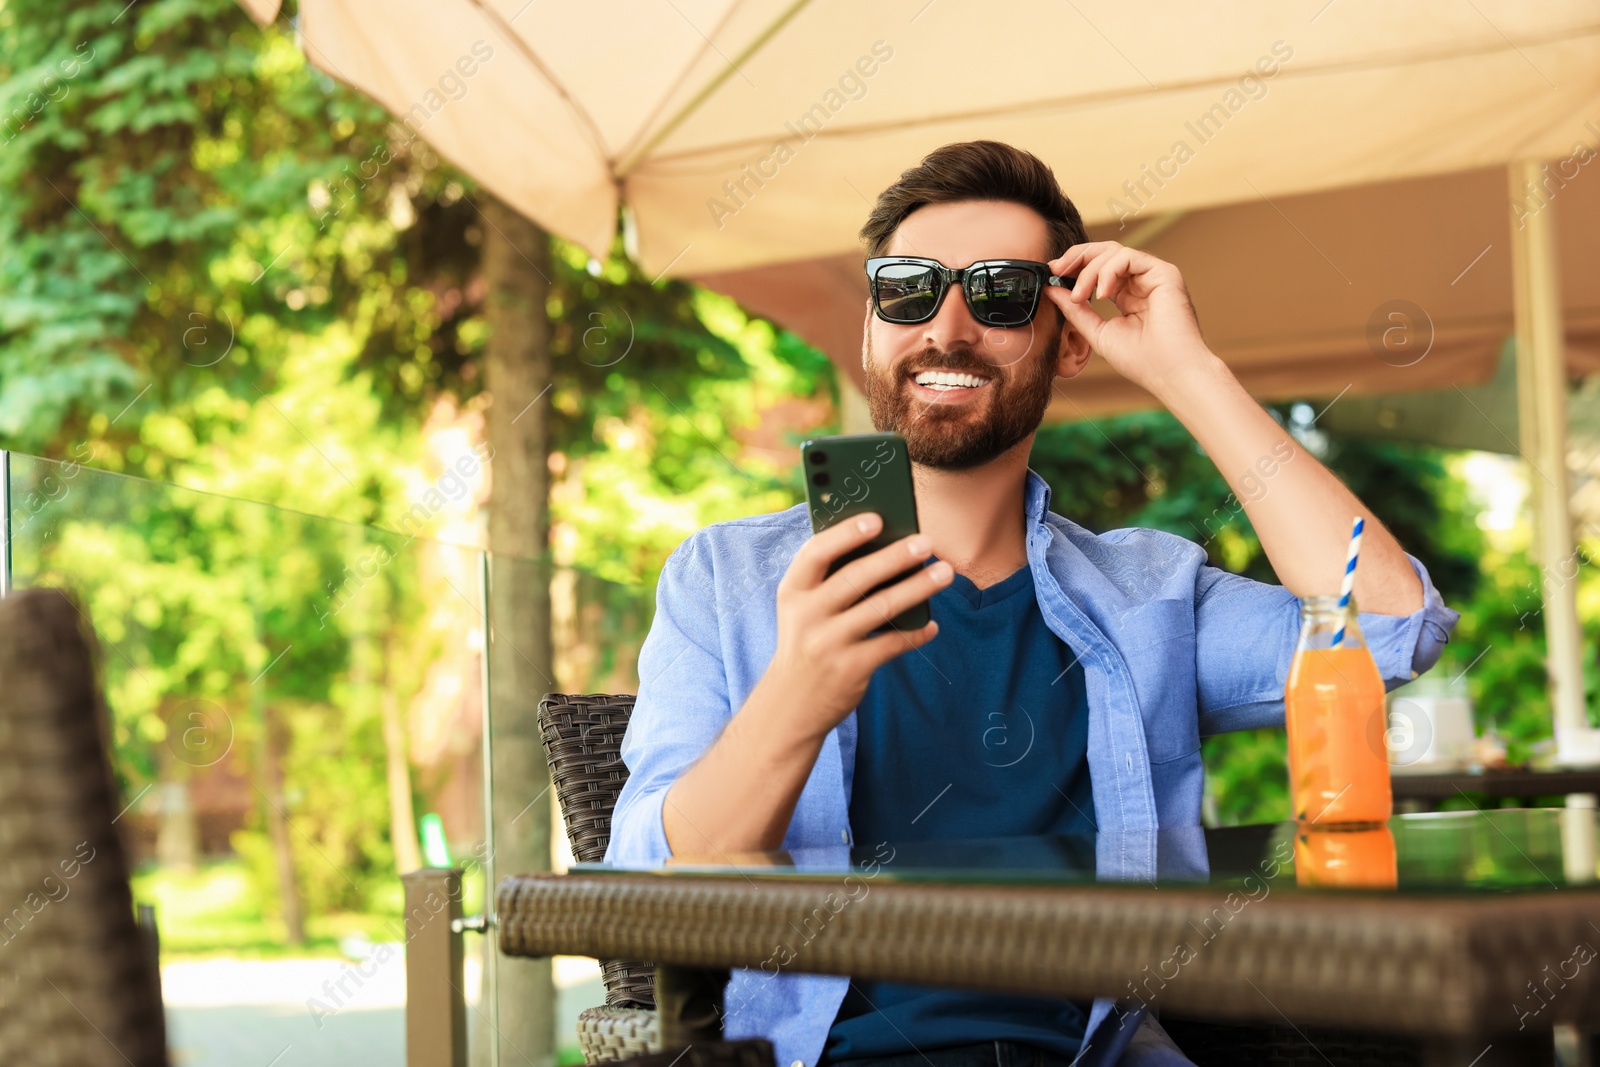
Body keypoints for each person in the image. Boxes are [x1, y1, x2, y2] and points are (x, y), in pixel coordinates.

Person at [603, 140, 1460, 1067]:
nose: (949, 327)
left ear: (1071, 340)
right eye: (908, 288)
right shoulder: (726, 580)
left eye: (1003, 293)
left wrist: (1187, 373)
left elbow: (1389, 626)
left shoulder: (1152, 593)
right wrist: (795, 697)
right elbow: (653, 886)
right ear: (870, 331)